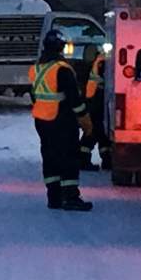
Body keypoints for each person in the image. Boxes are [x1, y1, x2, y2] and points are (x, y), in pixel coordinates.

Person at [29, 28, 94, 211]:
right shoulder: (62, 69)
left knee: (50, 156)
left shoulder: (36, 68)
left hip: (42, 120)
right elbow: (74, 99)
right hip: (61, 120)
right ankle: (71, 196)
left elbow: (34, 95)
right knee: (68, 157)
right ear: (61, 47)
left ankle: (54, 197)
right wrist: (85, 120)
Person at [79, 50, 112, 175]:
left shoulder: (101, 59)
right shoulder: (103, 61)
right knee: (94, 131)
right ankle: (85, 160)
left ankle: (106, 159)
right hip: (97, 98)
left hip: (95, 97)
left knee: (99, 131)